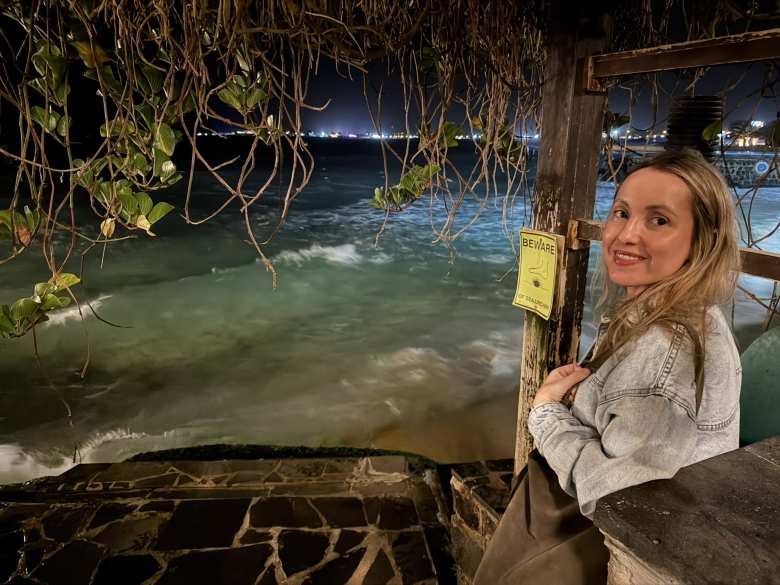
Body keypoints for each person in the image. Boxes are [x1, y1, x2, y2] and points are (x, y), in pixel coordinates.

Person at [474, 149, 742, 584]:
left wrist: (545, 412)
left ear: (702, 241)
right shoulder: (681, 312)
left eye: (659, 220)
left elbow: (620, 494)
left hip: (595, 547)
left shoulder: (664, 355)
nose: (626, 235)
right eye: (622, 212)